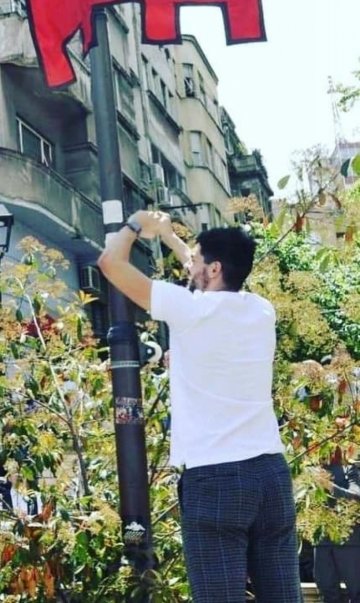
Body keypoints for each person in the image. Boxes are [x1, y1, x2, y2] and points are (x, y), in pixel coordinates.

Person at [98, 212, 301, 603]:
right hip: (271, 475)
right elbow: (203, 282)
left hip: (217, 478)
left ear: (214, 267)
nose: (188, 264)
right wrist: (173, 238)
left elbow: (111, 264)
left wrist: (137, 225)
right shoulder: (260, 311)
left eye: (196, 259)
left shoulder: (187, 310)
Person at [314, 422, 360, 603]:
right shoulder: (312, 468)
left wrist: (329, 487)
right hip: (322, 540)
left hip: (349, 541)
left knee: (356, 593)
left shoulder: (351, 468)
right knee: (326, 592)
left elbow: (356, 496)